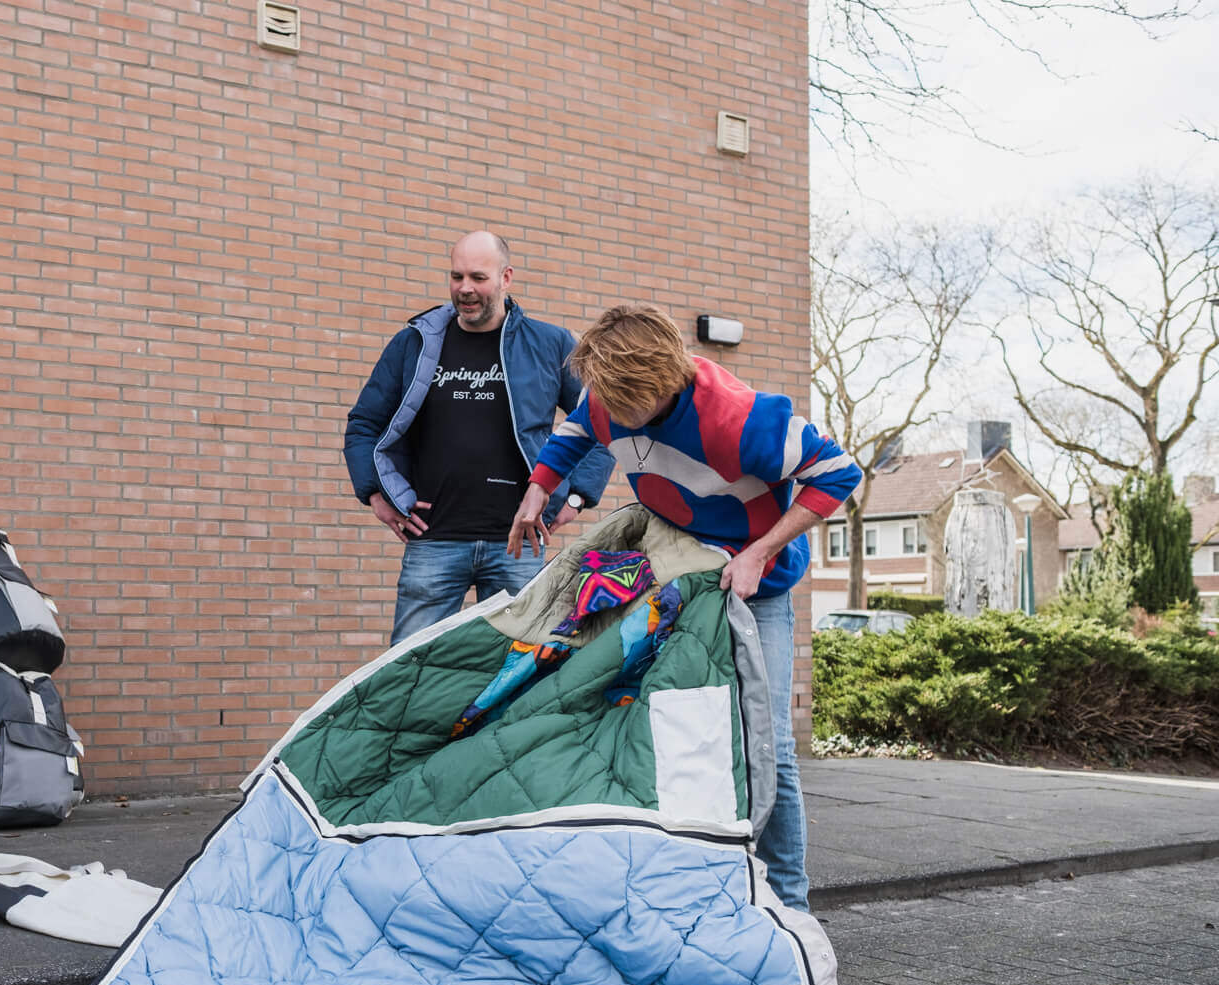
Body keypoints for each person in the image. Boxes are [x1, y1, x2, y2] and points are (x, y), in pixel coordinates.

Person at [506, 303, 862, 912]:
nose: (611, 420)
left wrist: (759, 553)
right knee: (671, 729)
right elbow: (574, 433)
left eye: (624, 410)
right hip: (675, 572)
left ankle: (791, 906)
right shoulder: (608, 400)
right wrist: (537, 489)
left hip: (758, 587)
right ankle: (698, 884)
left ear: (659, 386)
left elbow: (837, 471)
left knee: (766, 746)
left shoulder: (743, 420)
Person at [344, 231, 615, 644]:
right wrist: (376, 495)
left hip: (518, 544)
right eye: (456, 277)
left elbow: (606, 416)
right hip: (433, 539)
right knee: (408, 669)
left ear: (506, 278)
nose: (464, 289)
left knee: (520, 669)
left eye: (477, 277)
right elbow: (364, 424)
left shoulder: (548, 344)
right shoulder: (414, 344)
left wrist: (577, 496)